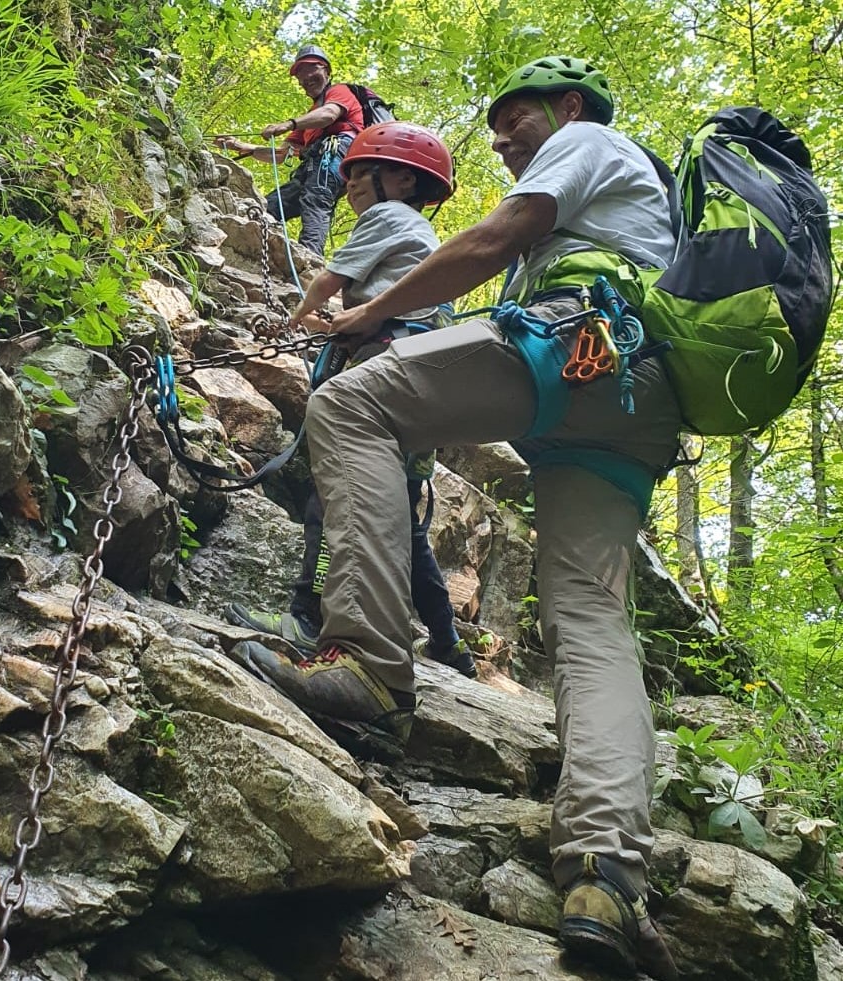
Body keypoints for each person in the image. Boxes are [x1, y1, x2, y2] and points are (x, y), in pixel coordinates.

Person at [234, 56, 681, 981]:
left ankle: (367, 661)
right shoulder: (648, 209)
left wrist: (370, 312)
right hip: (640, 400)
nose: (503, 140)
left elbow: (494, 238)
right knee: (593, 621)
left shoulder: (590, 139)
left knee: (351, 407)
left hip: (575, 341)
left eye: (514, 119)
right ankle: (603, 870)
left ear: (565, 107)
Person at [227, 121, 475, 679]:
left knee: (331, 494)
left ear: (406, 184)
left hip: (379, 372)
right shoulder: (418, 237)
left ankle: (307, 617)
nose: (354, 184)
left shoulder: (389, 218)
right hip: (414, 375)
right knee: (402, 516)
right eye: (351, 175)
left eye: (367, 172)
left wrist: (293, 318)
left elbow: (327, 282)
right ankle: (448, 639)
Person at [216, 45, 363, 256]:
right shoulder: (309, 120)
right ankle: (255, 252)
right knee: (269, 206)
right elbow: (281, 154)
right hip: (311, 166)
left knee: (316, 200)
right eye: (300, 76)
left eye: (310, 70)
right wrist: (238, 146)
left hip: (333, 156)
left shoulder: (339, 92)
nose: (305, 79)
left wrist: (288, 124)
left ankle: (310, 260)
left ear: (326, 71)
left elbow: (330, 114)